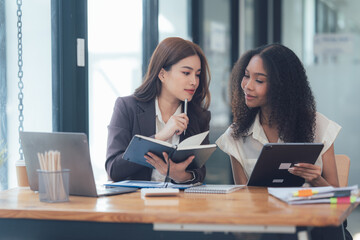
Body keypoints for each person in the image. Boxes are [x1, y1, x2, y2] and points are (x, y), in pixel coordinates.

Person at [216, 43, 352, 240]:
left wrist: (316, 180)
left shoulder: (319, 126)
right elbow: (245, 204)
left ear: (282, 86)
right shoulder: (236, 135)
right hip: (267, 228)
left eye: (259, 80)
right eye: (246, 75)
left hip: (314, 226)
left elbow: (338, 202)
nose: (247, 86)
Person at [105, 37, 211, 184]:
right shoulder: (126, 107)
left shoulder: (199, 116)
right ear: (162, 74)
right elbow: (113, 170)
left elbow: (199, 172)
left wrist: (179, 176)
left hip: (182, 204)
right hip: (136, 203)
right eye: (186, 73)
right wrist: (159, 137)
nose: (194, 81)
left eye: (197, 74)